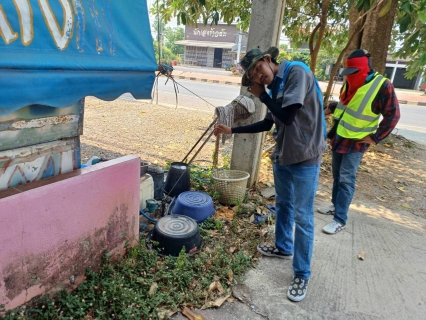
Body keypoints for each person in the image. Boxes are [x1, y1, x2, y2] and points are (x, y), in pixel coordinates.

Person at [214, 47, 327, 302]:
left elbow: (287, 115)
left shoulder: (296, 72)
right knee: (284, 205)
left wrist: (262, 96)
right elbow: (269, 123)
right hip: (284, 155)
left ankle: (301, 273)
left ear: (267, 60)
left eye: (257, 69)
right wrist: (231, 130)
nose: (257, 76)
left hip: (306, 157)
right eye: (253, 76)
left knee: (303, 216)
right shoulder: (275, 86)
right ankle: (283, 247)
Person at [318, 49, 400, 234]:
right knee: (337, 175)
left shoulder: (382, 85)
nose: (349, 77)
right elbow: (346, 104)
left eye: (353, 72)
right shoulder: (350, 83)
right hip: (340, 136)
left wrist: (375, 137)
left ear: (363, 69)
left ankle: (340, 220)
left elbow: (393, 115)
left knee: (346, 179)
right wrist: (331, 108)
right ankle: (335, 206)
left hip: (356, 142)